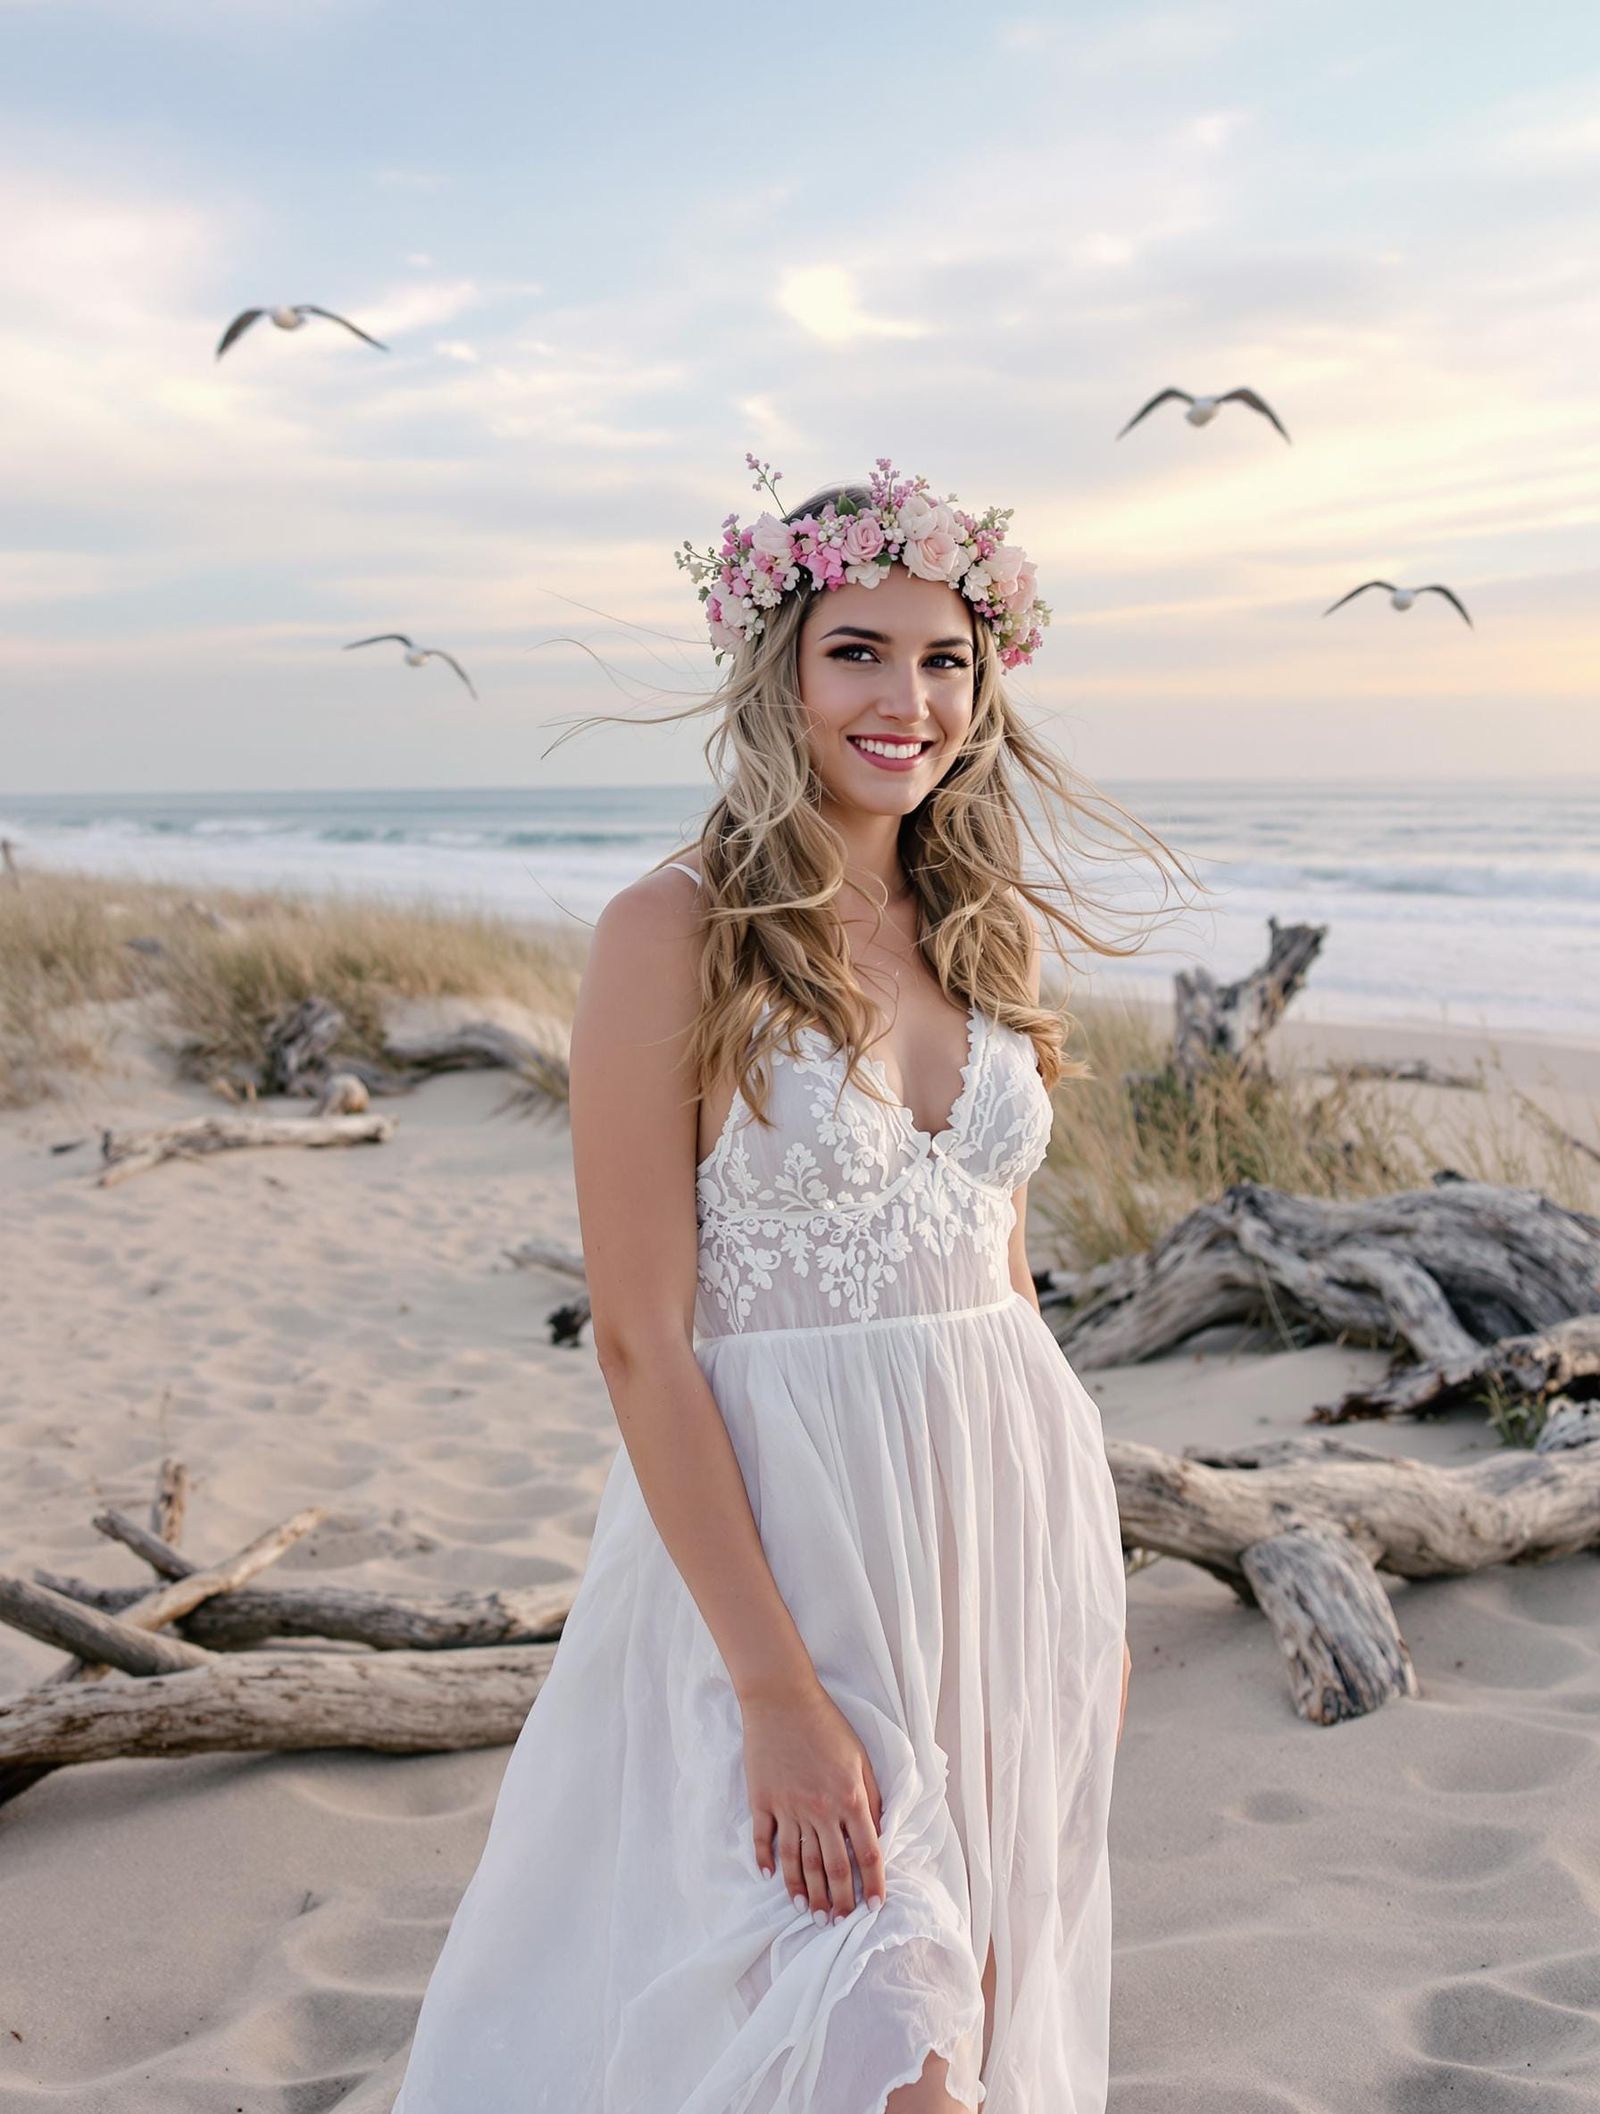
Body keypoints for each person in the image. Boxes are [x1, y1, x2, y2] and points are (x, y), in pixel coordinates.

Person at [390, 458, 1189, 2112]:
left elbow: (1008, 1285)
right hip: (790, 1551)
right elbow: (637, 1336)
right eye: (861, 652)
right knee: (873, 2029)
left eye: (948, 657)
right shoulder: (667, 933)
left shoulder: (987, 933)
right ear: (780, 668)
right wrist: (770, 1683)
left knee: (972, 2008)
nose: (911, 699)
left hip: (1005, 1535)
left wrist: (1085, 1584)